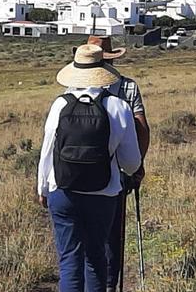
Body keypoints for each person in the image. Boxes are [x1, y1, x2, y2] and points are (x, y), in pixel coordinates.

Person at [37, 44, 142, 292]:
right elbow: (131, 162)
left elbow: (47, 151)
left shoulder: (60, 105)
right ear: (104, 70)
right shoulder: (118, 107)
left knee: (69, 261)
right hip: (103, 193)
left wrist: (43, 188)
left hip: (63, 191)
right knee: (96, 259)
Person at [79, 36, 150, 292]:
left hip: (75, 172)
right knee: (111, 234)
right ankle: (108, 285)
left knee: (79, 235)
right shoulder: (128, 87)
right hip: (115, 172)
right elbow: (142, 128)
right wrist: (137, 167)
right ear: (111, 59)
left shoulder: (73, 90)